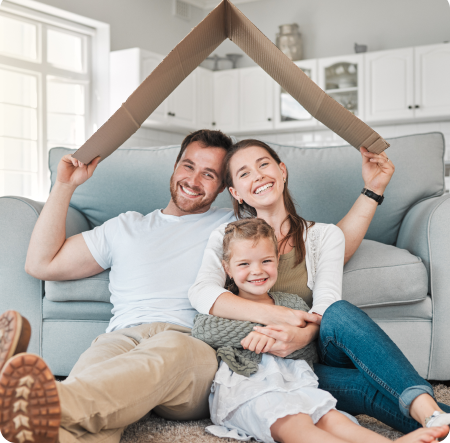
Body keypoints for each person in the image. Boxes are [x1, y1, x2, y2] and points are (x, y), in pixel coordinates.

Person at [0, 129, 395, 443]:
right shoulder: (125, 226)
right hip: (118, 339)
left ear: (227, 189)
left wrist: (373, 190)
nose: (193, 180)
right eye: (188, 166)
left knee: (157, 355)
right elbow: (41, 263)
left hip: (188, 345)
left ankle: (48, 397)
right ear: (173, 168)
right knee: (96, 411)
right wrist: (64, 185)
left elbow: (327, 243)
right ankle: (36, 417)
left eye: (209, 174)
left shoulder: (234, 227)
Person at [188, 138, 450, 437]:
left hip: (311, 351)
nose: (258, 175)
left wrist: (300, 335)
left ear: (282, 171)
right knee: (368, 387)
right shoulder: (225, 236)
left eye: (264, 165)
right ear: (235, 191)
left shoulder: (324, 236)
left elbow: (326, 303)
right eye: (244, 173)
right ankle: (440, 422)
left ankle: (427, 409)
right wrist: (280, 317)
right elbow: (202, 293)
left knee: (339, 311)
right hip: (285, 370)